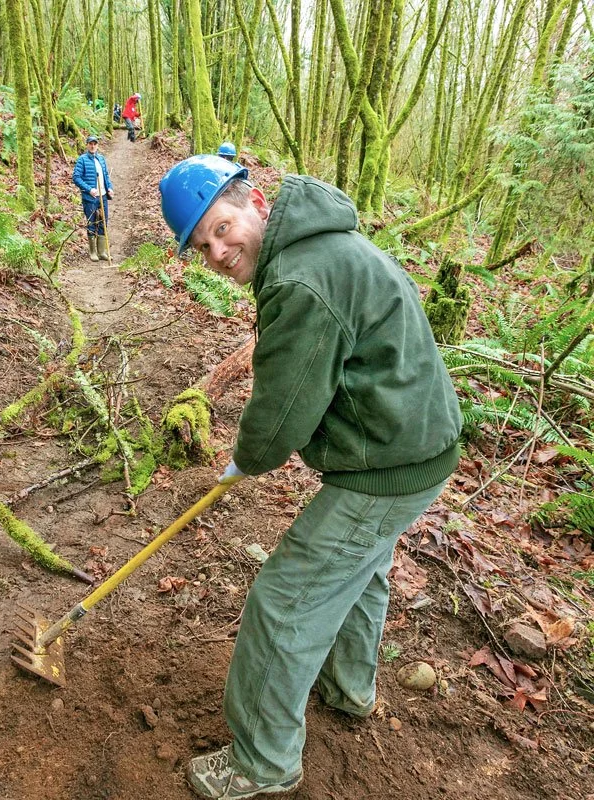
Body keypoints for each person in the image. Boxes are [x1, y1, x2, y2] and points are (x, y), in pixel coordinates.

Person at [159, 155, 461, 799]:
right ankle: (349, 688)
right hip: (412, 444)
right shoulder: (322, 244)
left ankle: (263, 762)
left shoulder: (301, 279)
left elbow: (282, 410)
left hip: (389, 464)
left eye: (221, 226)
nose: (216, 250)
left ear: (256, 203)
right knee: (362, 568)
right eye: (200, 244)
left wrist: (248, 455)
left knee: (286, 599)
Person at [72, 135, 114, 262]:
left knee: (103, 222)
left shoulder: (101, 159)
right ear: (87, 145)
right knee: (91, 223)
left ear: (97, 145)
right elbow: (76, 177)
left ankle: (102, 252)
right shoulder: (82, 160)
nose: (93, 146)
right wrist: (89, 189)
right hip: (90, 198)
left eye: (95, 144)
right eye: (90, 143)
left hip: (103, 196)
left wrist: (109, 188)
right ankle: (93, 252)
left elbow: (106, 176)